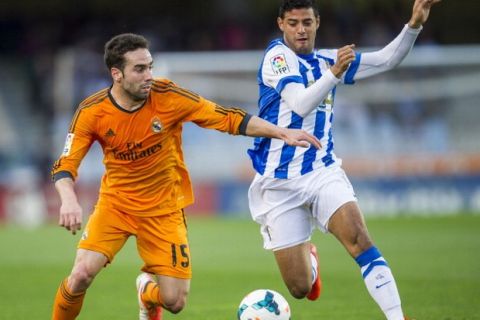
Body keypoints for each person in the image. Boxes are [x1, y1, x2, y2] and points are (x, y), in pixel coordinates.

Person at [50, 33, 321, 320]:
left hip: (164, 210)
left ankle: (146, 292)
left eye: (150, 67)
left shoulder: (168, 97)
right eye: (139, 69)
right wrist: (68, 200)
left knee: (174, 302)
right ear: (116, 74)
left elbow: (226, 117)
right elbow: (65, 164)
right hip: (116, 206)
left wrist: (281, 132)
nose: (149, 76)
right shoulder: (92, 111)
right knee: (80, 275)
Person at [247, 0, 440, 319]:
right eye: (293, 22)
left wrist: (414, 24)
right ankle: (310, 261)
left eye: (307, 22)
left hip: (322, 171)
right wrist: (335, 73)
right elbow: (299, 104)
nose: (300, 29)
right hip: (278, 182)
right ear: (281, 24)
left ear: (317, 23)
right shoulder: (277, 57)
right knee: (299, 288)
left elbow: (386, 60)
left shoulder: (326, 60)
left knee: (360, 240)